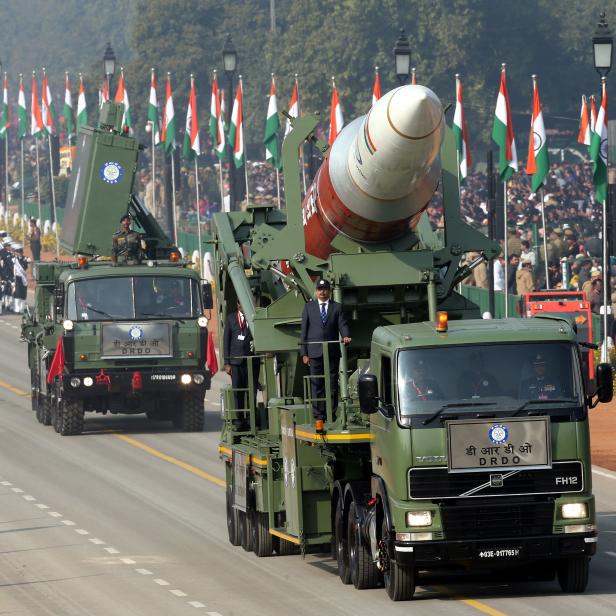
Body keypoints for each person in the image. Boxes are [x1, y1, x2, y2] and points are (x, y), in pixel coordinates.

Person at [300, 279, 351, 432]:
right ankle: (319, 417)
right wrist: (304, 353)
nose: (322, 292)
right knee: (317, 385)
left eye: (325, 289)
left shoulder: (337, 307)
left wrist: (346, 335)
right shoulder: (309, 307)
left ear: (329, 291)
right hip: (314, 352)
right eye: (320, 289)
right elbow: (304, 331)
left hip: (332, 352)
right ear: (316, 291)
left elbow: (342, 324)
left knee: (332, 384)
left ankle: (331, 414)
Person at [223, 298, 260, 424]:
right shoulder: (230, 318)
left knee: (252, 391)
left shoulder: (255, 317)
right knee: (238, 391)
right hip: (236, 362)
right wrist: (227, 363)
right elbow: (226, 341)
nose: (241, 306)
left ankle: (251, 419)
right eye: (239, 303)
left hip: (252, 362)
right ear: (238, 304)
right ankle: (239, 419)